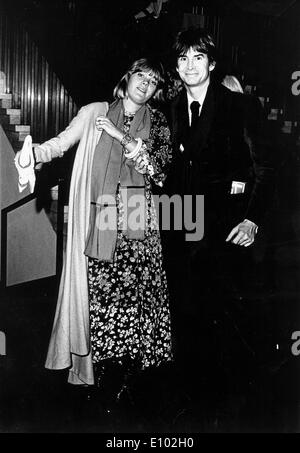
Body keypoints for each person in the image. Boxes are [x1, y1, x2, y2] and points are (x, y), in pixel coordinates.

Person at [27, 58, 173, 403]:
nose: (145, 86)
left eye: (153, 83)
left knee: (135, 294)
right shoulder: (95, 111)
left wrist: (120, 135)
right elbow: (61, 143)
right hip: (101, 217)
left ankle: (130, 368)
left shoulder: (160, 122)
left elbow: (159, 171)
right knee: (101, 296)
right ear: (128, 77)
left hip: (139, 216)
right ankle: (101, 371)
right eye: (141, 77)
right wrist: (35, 153)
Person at [164, 27, 275, 385]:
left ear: (212, 63)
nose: (190, 65)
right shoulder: (172, 108)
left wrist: (251, 220)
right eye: (183, 58)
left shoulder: (240, 105)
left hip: (227, 231)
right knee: (188, 318)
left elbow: (266, 167)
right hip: (183, 228)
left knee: (227, 326)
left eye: (198, 57)